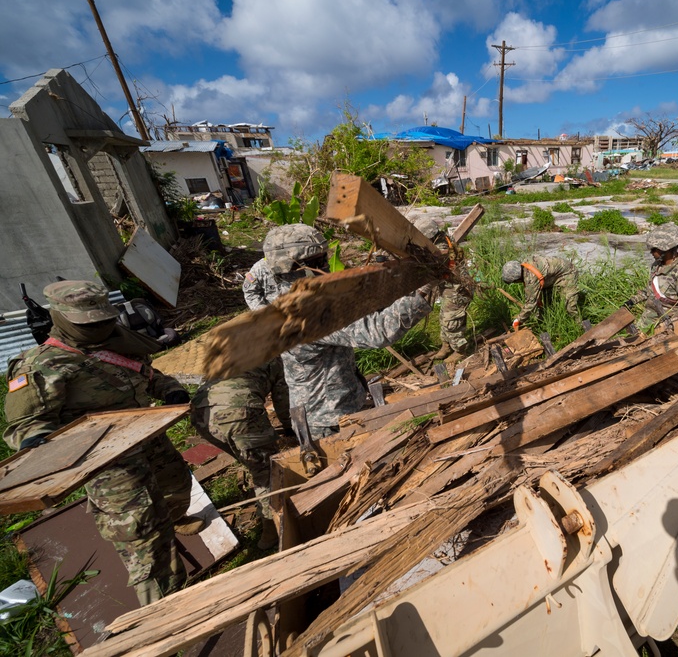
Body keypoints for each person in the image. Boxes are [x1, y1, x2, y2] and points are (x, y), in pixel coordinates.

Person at [4, 281, 194, 605]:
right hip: (106, 460)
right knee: (139, 529)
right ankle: (162, 608)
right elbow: (23, 424)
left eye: (102, 320)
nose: (98, 327)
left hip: (148, 437)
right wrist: (38, 441)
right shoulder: (41, 365)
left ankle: (173, 526)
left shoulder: (117, 341)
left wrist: (169, 388)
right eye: (88, 323)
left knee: (176, 486)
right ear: (62, 319)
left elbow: (146, 373)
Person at [242, 224, 436, 437]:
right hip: (329, 420)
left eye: (324, 258)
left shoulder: (284, 288)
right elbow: (378, 331)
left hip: (325, 407)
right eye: (318, 262)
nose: (325, 266)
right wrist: (424, 292)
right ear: (294, 267)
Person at [191, 357, 290, 550]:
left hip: (201, 415)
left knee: (254, 462)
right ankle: (272, 530)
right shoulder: (277, 357)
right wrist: (290, 428)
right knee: (268, 470)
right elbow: (283, 401)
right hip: (238, 413)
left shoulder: (235, 350)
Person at [410, 216, 473, 361]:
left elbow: (435, 275)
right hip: (449, 286)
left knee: (451, 320)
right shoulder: (443, 238)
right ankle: (446, 346)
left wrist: (422, 291)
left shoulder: (442, 249)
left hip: (458, 288)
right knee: (444, 316)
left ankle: (460, 350)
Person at [628, 223, 678, 331]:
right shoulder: (657, 265)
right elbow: (649, 290)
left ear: (665, 248)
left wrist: (667, 327)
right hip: (646, 322)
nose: (651, 252)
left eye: (654, 249)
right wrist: (632, 301)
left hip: (665, 327)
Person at [501, 256, 580, 330]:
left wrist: (518, 320)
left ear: (517, 278)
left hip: (568, 272)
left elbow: (530, 304)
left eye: (514, 282)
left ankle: (580, 326)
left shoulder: (531, 278)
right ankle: (545, 325)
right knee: (545, 303)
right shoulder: (525, 264)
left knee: (570, 306)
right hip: (553, 275)